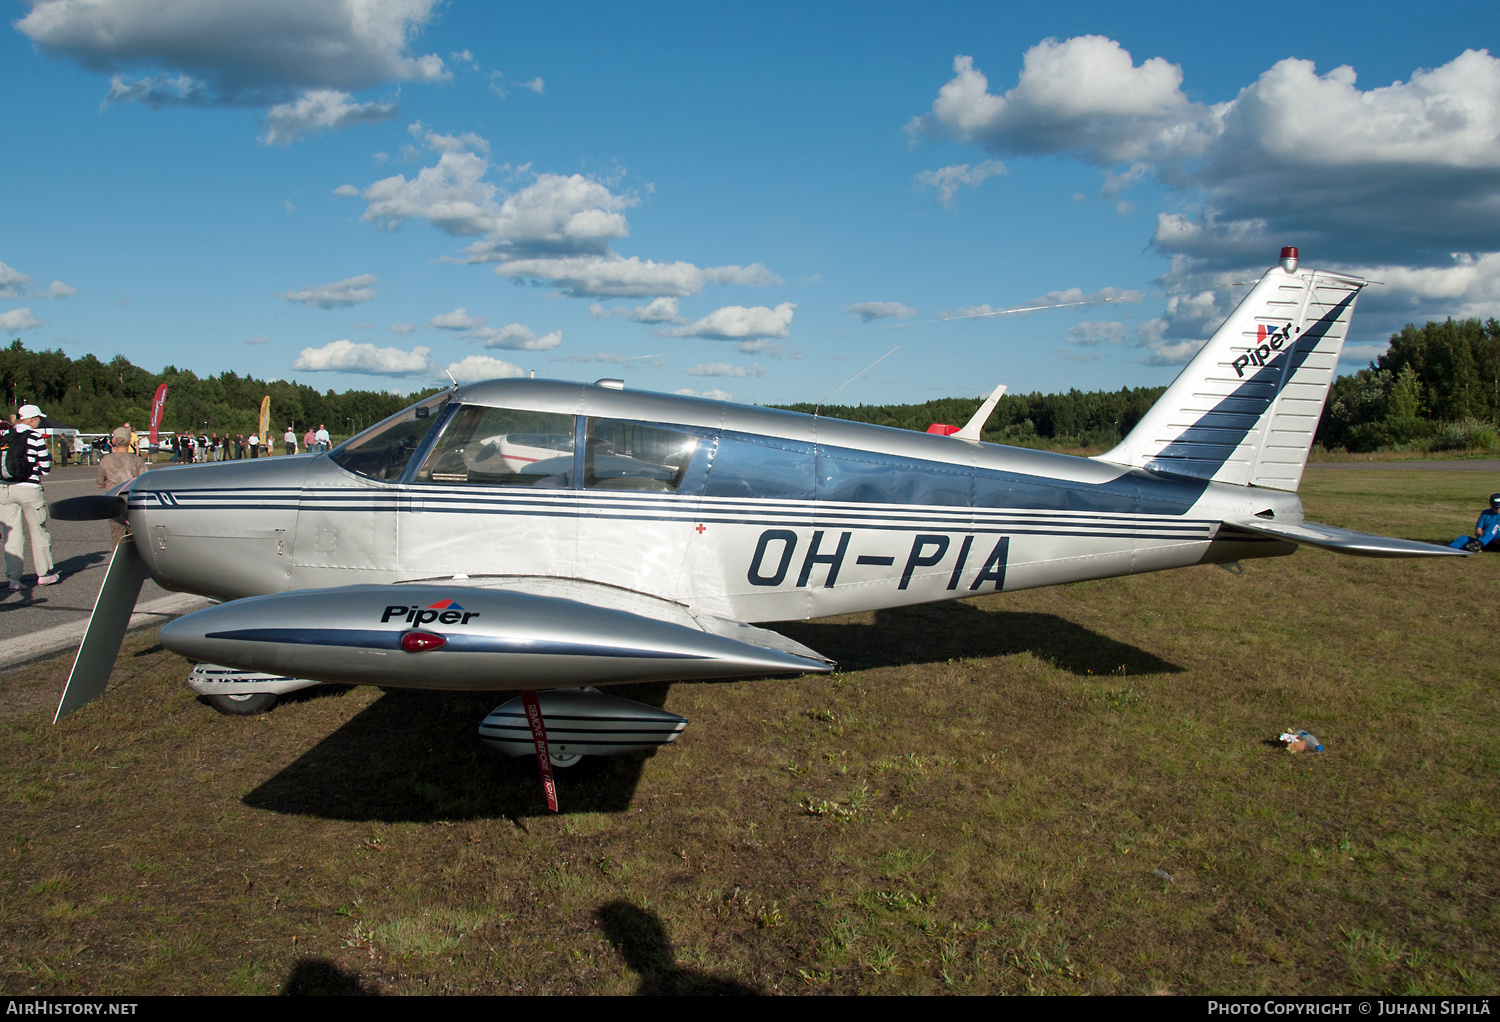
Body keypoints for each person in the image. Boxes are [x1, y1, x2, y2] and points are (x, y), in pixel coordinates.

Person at [1, 404, 58, 590]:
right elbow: (46, 469)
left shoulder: (6, 436)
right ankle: (43, 573)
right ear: (32, 419)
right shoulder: (35, 437)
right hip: (29, 488)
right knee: (38, 530)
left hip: (5, 489)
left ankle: (14, 578)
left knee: (12, 536)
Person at [97, 426, 147, 548]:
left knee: (117, 535)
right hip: (131, 501)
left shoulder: (106, 460)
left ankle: (118, 559)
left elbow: (100, 482)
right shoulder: (136, 459)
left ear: (113, 441)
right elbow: (145, 479)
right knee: (136, 535)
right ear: (129, 441)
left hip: (113, 501)